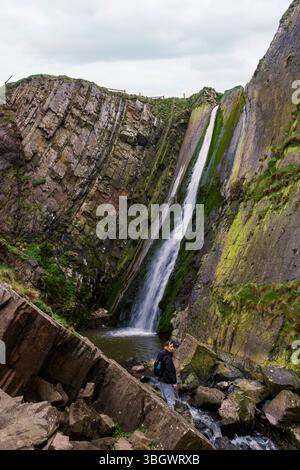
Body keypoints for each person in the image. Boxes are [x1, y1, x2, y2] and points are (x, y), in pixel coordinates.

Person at [157, 340, 177, 410]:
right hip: (166, 381)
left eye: (173, 347)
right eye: (171, 346)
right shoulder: (168, 357)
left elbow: (158, 366)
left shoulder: (161, 354)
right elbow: (169, 371)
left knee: (164, 396)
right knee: (170, 399)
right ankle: (172, 415)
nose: (172, 348)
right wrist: (174, 382)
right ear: (166, 347)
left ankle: (165, 410)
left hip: (161, 379)